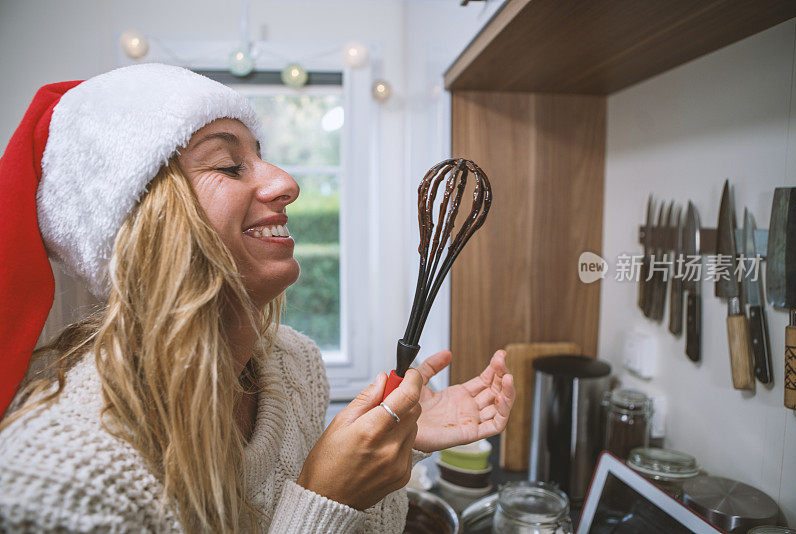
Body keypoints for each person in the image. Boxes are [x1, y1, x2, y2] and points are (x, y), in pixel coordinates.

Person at [0, 63, 515, 533]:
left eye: (261, 158)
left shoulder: (295, 368)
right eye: (228, 165)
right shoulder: (57, 477)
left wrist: (390, 451)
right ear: (143, 227)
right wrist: (323, 499)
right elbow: (323, 510)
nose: (286, 183)